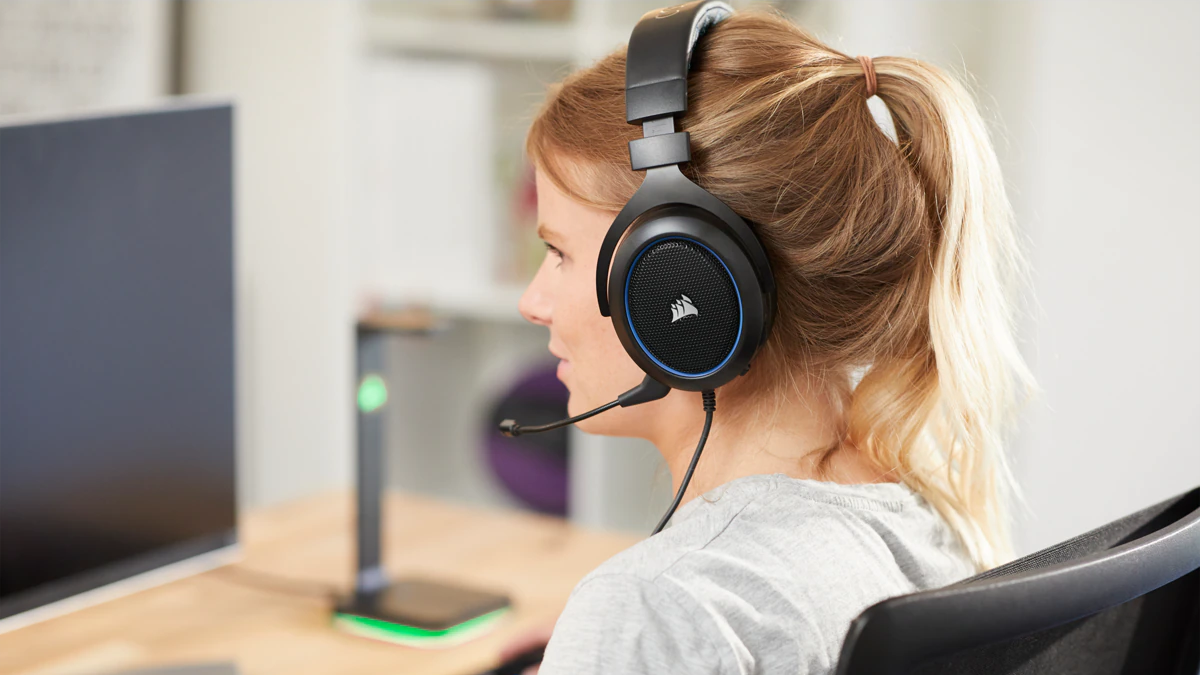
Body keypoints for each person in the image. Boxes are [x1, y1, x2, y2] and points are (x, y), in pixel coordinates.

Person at [499, 6, 1036, 674]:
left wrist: (623, 638)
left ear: (672, 284)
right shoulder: (922, 519)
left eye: (557, 253)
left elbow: (672, 619)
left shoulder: (662, 605)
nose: (533, 301)